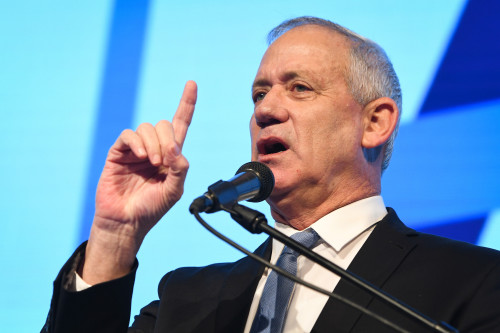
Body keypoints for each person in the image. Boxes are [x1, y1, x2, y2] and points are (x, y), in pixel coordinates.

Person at [42, 17, 500, 333]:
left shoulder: (474, 282)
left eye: (299, 88)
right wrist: (115, 236)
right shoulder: (188, 299)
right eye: (259, 93)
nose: (266, 109)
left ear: (375, 122)